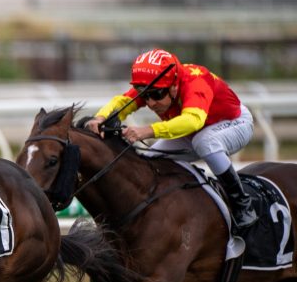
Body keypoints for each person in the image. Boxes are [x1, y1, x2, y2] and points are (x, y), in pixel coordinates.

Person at [85, 48, 257, 229]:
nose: (151, 102)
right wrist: (100, 118)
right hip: (196, 132)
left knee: (204, 142)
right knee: (150, 159)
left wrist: (148, 130)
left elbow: (193, 121)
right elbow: (122, 102)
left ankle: (242, 203)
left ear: (174, 85)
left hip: (234, 123)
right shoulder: (155, 84)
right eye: (145, 95)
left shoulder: (196, 81)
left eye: (157, 95)